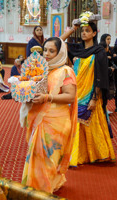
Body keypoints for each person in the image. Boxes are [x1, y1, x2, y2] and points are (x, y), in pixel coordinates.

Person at [21, 37, 77, 193]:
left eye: (52, 51)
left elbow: (70, 97)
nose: (46, 54)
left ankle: (44, 190)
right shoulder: (40, 70)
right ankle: (37, 186)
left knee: (49, 159)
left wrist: (47, 97)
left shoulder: (66, 71)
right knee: (37, 156)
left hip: (56, 123)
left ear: (60, 53)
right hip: (40, 118)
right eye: (45, 50)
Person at [60, 20, 115, 166]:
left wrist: (95, 98)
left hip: (91, 94)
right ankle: (77, 154)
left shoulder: (99, 52)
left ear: (94, 33)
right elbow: (58, 42)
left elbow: (101, 75)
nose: (84, 33)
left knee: (91, 123)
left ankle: (98, 154)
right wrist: (72, 29)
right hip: (76, 92)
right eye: (83, 30)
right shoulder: (76, 49)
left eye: (88, 30)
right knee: (76, 123)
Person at [100, 34, 117, 102]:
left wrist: (111, 57)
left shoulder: (110, 48)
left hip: (110, 71)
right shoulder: (100, 47)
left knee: (108, 89)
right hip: (103, 72)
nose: (109, 41)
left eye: (110, 39)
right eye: (108, 39)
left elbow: (115, 57)